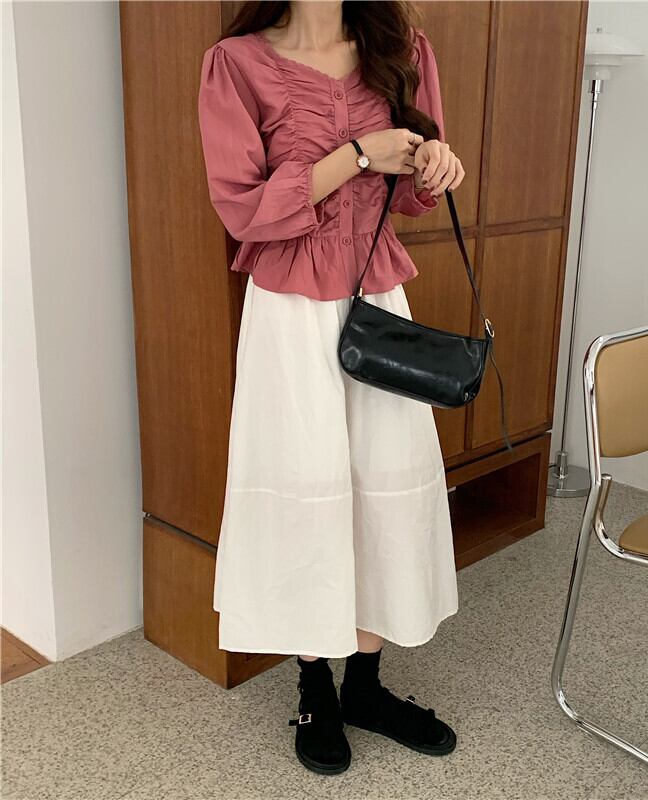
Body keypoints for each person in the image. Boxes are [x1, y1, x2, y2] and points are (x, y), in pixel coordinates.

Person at [197, 0, 465, 776]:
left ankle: (366, 687)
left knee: (386, 482)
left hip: (376, 301)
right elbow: (243, 207)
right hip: (289, 311)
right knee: (306, 484)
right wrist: (356, 154)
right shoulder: (236, 65)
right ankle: (315, 689)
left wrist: (433, 165)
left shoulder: (403, 48)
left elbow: (411, 194)